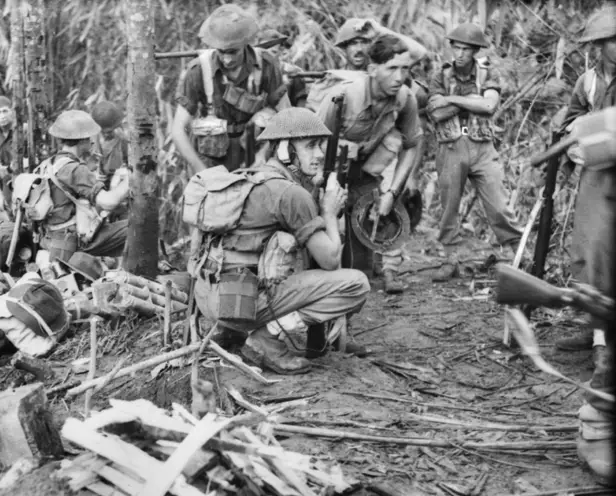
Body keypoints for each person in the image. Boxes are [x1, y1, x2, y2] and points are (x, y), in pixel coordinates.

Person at [188, 106, 370, 375]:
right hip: (240, 305)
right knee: (356, 285)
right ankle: (267, 338)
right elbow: (330, 261)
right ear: (284, 149)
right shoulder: (290, 194)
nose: (319, 154)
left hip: (213, 299)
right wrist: (329, 213)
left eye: (321, 145)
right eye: (310, 145)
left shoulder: (254, 176)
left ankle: (232, 332)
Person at [317, 34, 424, 295]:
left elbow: (411, 145)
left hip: (365, 171)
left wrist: (392, 193)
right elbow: (312, 142)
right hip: (326, 171)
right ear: (372, 70)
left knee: (358, 268)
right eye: (392, 69)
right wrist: (324, 184)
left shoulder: (404, 98)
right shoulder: (342, 96)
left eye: (405, 69)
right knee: (319, 239)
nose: (399, 77)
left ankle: (359, 280)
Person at [426, 23, 524, 282]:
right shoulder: (440, 76)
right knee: (449, 206)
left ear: (475, 51)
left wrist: (452, 99)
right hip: (451, 145)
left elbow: (489, 105)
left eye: (466, 49)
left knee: (499, 203)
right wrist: (470, 101)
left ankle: (519, 253)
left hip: (482, 145)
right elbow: (435, 113)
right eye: (456, 47)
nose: (460, 54)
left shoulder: (486, 74)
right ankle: (450, 259)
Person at [551, 4, 616, 355]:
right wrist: (571, 138)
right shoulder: (587, 82)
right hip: (595, 173)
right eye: (614, 41)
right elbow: (571, 121)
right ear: (600, 45)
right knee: (587, 250)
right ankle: (592, 329)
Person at [172, 4, 291, 174]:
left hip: (254, 153)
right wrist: (202, 172)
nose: (227, 60)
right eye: (221, 52)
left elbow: (287, 115)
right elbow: (178, 130)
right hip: (211, 159)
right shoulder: (198, 70)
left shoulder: (265, 64)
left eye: (233, 52)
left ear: (245, 43)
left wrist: (264, 157)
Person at [22, 110, 129, 261]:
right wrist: (131, 179)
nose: (92, 141)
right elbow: (108, 202)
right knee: (136, 226)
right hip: (74, 241)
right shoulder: (75, 170)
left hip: (50, 239)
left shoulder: (48, 164)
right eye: (89, 137)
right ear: (82, 140)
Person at [89, 101, 130, 220]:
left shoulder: (123, 139)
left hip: (118, 192)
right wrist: (94, 175)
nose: (107, 135)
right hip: (96, 193)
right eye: (104, 132)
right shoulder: (90, 142)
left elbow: (131, 165)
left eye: (110, 131)